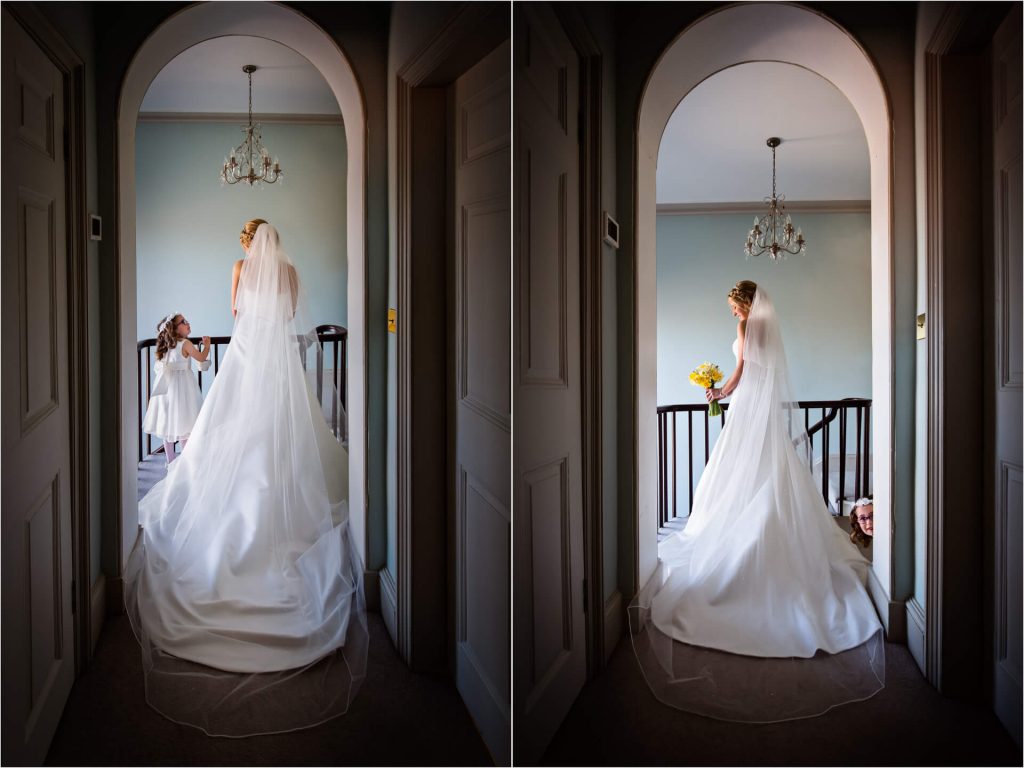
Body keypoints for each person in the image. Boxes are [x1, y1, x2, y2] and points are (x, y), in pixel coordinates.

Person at [124, 221, 366, 737]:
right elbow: (290, 314)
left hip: (248, 357)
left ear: (249, 246)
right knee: (289, 431)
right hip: (279, 360)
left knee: (228, 431)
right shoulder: (294, 272)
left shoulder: (238, 269)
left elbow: (237, 312)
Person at [629, 280, 885, 723]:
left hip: (748, 406)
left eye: (733, 306)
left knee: (736, 474)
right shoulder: (766, 325)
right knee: (764, 473)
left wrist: (719, 393)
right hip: (760, 410)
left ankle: (743, 532)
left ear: (745, 303)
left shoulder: (749, 326)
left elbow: (742, 372)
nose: (732, 314)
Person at [141, 313, 210, 465]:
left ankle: (170, 463)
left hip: (167, 388)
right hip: (184, 388)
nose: (188, 322)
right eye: (183, 322)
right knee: (185, 424)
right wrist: (207, 346)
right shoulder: (185, 343)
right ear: (175, 329)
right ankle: (184, 464)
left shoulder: (166, 345)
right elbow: (200, 357)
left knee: (169, 425)